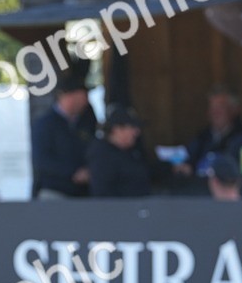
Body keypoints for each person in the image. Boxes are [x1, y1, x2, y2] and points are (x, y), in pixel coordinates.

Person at [31, 69, 98, 198]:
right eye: (82, 96)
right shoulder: (46, 124)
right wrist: (73, 173)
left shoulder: (86, 121)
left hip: (84, 193)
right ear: (68, 96)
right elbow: (41, 161)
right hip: (55, 191)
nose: (85, 101)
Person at [179, 86, 242, 177]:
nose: (215, 112)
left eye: (221, 107)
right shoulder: (201, 138)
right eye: (212, 107)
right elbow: (186, 160)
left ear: (234, 110)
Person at [88, 105, 152, 197]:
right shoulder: (101, 155)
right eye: (132, 127)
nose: (136, 132)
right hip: (118, 209)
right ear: (117, 130)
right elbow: (102, 192)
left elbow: (147, 170)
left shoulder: (131, 152)